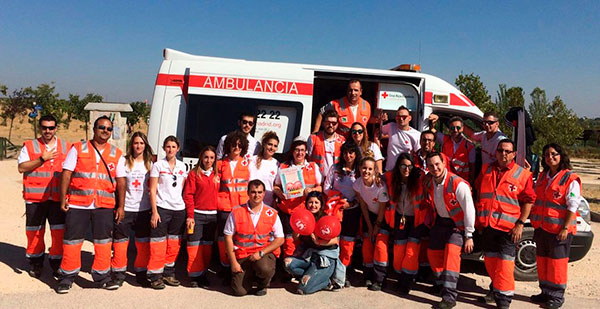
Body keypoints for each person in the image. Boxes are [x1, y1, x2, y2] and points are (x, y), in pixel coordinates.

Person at [57, 115, 123, 294]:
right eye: (102, 127)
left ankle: (102, 277)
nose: (105, 131)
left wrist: (121, 206)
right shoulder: (78, 148)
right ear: (94, 129)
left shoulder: (116, 153)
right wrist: (63, 199)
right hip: (79, 204)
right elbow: (66, 174)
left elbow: (121, 181)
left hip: (104, 205)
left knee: (103, 243)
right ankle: (67, 277)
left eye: (109, 129)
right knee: (72, 241)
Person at [475, 139, 535, 309]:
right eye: (501, 150)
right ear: (496, 152)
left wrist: (521, 224)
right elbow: (479, 191)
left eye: (508, 151)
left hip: (509, 229)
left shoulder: (522, 174)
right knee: (491, 262)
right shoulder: (486, 169)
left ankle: (504, 300)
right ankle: (495, 291)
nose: (504, 153)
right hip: (488, 226)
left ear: (514, 154)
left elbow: (528, 201)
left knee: (505, 265)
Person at [18, 115, 70, 279]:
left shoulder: (66, 147)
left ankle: (56, 263)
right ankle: (36, 262)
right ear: (40, 128)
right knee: (35, 233)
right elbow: (21, 167)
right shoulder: (30, 146)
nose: (48, 131)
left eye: (51, 128)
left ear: (56, 128)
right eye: (44, 128)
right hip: (36, 198)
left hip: (57, 199)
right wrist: (42, 159)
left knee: (58, 232)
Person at [530, 143, 581, 309]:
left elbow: (572, 205)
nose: (550, 157)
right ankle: (545, 292)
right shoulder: (544, 176)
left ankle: (557, 296)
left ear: (561, 156)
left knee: (557, 264)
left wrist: (565, 228)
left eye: (554, 154)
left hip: (559, 231)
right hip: (542, 228)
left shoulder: (569, 178)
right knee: (543, 261)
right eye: (546, 155)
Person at [424, 152, 475, 309]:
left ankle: (449, 296)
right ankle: (440, 283)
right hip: (441, 223)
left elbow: (469, 210)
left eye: (437, 164)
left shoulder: (458, 184)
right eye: (431, 166)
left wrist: (469, 235)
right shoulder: (429, 182)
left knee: (451, 256)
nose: (435, 168)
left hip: (457, 226)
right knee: (432, 252)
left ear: (444, 163)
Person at [224, 180, 285, 296]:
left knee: (264, 268)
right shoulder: (236, 212)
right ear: (248, 193)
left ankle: (262, 284)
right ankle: (248, 277)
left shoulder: (272, 213)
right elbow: (228, 237)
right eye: (253, 192)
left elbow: (280, 239)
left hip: (262, 255)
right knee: (239, 292)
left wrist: (261, 253)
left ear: (264, 194)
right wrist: (233, 263)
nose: (256, 195)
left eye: (259, 192)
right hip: (243, 255)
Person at [111, 131, 153, 287]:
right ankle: (118, 274)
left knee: (142, 245)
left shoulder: (150, 164)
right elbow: (120, 185)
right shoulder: (123, 162)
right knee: (121, 244)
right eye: (136, 143)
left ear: (145, 145)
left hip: (144, 209)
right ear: (131, 145)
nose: (138, 146)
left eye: (141, 143)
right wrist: (120, 207)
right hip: (127, 208)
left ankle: (141, 273)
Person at [383, 153, 429, 294]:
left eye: (409, 166)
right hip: (399, 219)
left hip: (416, 221)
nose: (406, 169)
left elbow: (432, 176)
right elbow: (379, 176)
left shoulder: (420, 178)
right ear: (398, 167)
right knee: (399, 250)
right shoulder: (392, 178)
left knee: (411, 251)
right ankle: (399, 276)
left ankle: (407, 281)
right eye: (403, 166)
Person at [147, 136, 188, 289]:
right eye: (168, 147)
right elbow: (152, 189)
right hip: (162, 209)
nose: (170, 149)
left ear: (178, 149)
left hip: (178, 209)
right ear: (164, 148)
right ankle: (155, 275)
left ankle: (168, 272)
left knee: (174, 243)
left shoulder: (183, 166)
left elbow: (182, 188)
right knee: (158, 243)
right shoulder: (158, 165)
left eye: (173, 147)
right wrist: (154, 211)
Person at [284, 192, 342, 294]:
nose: (313, 205)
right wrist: (299, 226)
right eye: (310, 202)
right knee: (288, 264)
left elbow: (334, 240)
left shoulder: (325, 218)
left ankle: (326, 281)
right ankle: (314, 277)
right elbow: (295, 238)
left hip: (324, 259)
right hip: (308, 257)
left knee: (303, 289)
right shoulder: (303, 216)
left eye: (316, 202)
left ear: (321, 204)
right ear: (306, 204)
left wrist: (319, 242)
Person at [273, 138, 323, 257]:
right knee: (289, 242)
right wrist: (280, 193)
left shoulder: (313, 166)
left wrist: (311, 191)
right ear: (292, 151)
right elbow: (276, 186)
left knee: (305, 242)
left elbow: (320, 187)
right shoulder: (284, 167)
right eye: (297, 150)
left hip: (307, 212)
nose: (299, 153)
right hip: (289, 212)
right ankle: (288, 270)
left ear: (306, 152)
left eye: (302, 150)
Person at [323, 141, 361, 286]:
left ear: (355, 154)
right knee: (334, 240)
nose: (348, 156)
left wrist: (351, 203)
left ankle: (345, 270)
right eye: (345, 153)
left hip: (352, 210)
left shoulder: (359, 170)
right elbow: (327, 187)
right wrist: (337, 199)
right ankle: (331, 271)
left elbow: (363, 190)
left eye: (351, 152)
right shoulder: (335, 168)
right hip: (335, 210)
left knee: (348, 242)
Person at [183, 146, 219, 288]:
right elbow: (188, 195)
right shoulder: (194, 174)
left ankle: (203, 274)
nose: (208, 160)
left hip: (213, 216)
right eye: (206, 157)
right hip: (196, 215)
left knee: (207, 247)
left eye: (211, 158)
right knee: (193, 246)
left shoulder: (217, 174)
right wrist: (190, 215)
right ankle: (194, 275)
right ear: (201, 158)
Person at [354, 157, 390, 291]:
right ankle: (368, 275)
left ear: (375, 170)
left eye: (370, 169)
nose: (366, 171)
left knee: (380, 246)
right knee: (367, 244)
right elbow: (363, 206)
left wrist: (376, 227)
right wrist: (369, 227)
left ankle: (380, 280)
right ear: (359, 168)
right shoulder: (357, 184)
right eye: (364, 168)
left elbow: (382, 209)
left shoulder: (380, 186)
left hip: (383, 217)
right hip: (369, 215)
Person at [216, 131, 250, 270]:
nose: (236, 148)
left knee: (239, 238)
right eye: (234, 145)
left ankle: (238, 265)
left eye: (240, 145)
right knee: (223, 238)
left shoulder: (248, 164)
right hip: (224, 206)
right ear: (228, 146)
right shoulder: (219, 164)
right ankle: (225, 265)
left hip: (241, 206)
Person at [381, 106, 421, 172]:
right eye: (398, 117)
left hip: (405, 172)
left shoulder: (416, 135)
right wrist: (382, 120)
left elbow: (418, 155)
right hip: (390, 170)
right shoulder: (391, 126)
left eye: (404, 117)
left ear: (410, 118)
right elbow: (378, 132)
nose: (401, 119)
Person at [308, 110, 345, 177]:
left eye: (334, 123)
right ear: (323, 123)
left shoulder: (342, 140)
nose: (330, 125)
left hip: (335, 179)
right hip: (317, 178)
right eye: (328, 122)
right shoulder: (313, 138)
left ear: (337, 124)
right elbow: (307, 160)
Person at [249, 131, 280, 206]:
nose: (272, 148)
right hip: (251, 202)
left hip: (267, 204)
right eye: (270, 144)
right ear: (264, 144)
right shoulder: (251, 160)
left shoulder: (277, 164)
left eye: (275, 146)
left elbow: (276, 186)